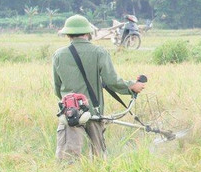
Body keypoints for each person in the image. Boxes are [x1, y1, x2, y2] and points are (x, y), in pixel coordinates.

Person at [52, 13, 145, 162]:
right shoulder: (99, 52)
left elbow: (57, 88)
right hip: (94, 113)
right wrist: (131, 86)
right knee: (99, 159)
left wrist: (71, 104)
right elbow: (112, 80)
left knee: (68, 160)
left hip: (71, 114)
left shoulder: (59, 55)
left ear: (68, 34)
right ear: (88, 33)